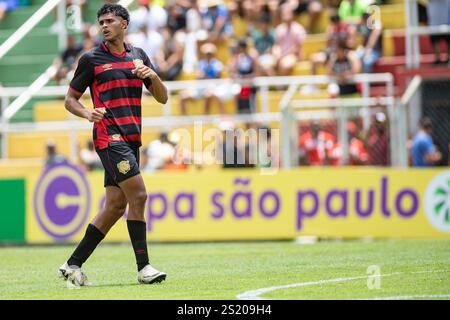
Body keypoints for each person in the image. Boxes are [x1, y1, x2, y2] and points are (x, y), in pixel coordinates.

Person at [60, 4, 168, 287]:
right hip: (109, 137)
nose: (104, 26)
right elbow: (70, 99)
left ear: (124, 24)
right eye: (101, 22)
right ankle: (144, 268)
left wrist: (153, 76)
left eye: (110, 21)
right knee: (140, 196)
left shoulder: (138, 56)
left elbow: (163, 98)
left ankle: (73, 264)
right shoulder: (91, 59)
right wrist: (87, 113)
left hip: (132, 139)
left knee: (116, 206)